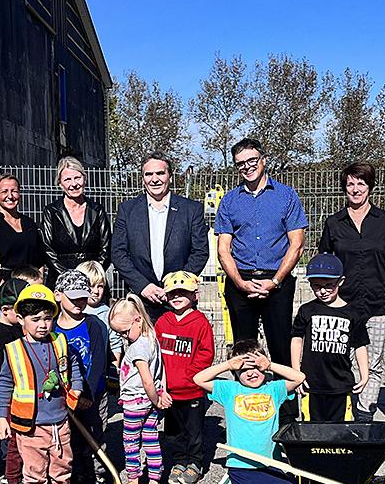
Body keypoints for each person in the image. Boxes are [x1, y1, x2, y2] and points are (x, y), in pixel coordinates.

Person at [0, 284, 95, 484]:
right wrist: (0, 417)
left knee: (63, 462)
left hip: (59, 419)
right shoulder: (15, 350)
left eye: (48, 318)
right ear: (21, 319)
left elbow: (72, 365)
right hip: (29, 425)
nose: (43, 324)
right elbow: (5, 383)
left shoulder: (60, 343)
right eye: (35, 319)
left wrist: (78, 387)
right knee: (35, 470)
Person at [214, 138, 308, 366]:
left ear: (263, 160)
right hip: (240, 283)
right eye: (240, 163)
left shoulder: (286, 196)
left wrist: (275, 281)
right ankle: (246, 400)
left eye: (252, 160)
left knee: (281, 350)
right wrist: (239, 282)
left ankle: (285, 401)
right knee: (243, 351)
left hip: (278, 282)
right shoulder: (229, 201)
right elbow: (223, 250)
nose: (247, 166)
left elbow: (297, 244)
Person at [317, 162, 385, 421]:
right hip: (343, 305)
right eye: (350, 184)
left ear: (370, 187)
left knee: (372, 363)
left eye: (361, 183)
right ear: (344, 188)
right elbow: (324, 262)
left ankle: (364, 413)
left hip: (376, 303)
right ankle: (343, 410)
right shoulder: (333, 223)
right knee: (343, 361)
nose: (355, 189)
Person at [193, 340, 306, 484]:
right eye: (243, 370)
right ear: (236, 373)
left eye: (255, 367)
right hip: (242, 466)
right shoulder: (230, 390)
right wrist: (228, 364)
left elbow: (299, 378)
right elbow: (198, 379)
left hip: (271, 464)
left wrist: (270, 364)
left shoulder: (274, 389)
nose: (251, 373)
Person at [111, 152, 209, 320]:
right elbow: (118, 253)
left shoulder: (191, 210)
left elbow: (200, 251)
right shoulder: (127, 210)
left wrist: (176, 286)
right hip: (141, 301)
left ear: (170, 176)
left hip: (179, 301)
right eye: (148, 174)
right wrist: (143, 286)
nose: (154, 179)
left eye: (160, 173)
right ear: (143, 178)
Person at [53, 269, 113, 484]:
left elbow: (99, 360)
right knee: (70, 438)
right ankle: (76, 475)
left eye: (82, 296)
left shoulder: (95, 324)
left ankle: (98, 474)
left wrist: (86, 393)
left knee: (96, 433)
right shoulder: (52, 327)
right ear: (58, 295)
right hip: (63, 396)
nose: (80, 302)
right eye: (73, 296)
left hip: (93, 394)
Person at [290, 254, 370, 423]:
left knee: (341, 431)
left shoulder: (353, 313)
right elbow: (297, 339)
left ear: (340, 282)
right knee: (311, 430)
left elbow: (360, 345)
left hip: (341, 385)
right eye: (317, 286)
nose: (323, 291)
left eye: (329, 285)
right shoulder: (307, 310)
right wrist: (296, 372)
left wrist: (365, 374)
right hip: (311, 385)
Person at [154, 270, 215, 484]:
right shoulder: (163, 321)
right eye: (172, 293)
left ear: (194, 295)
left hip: (192, 391)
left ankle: (195, 463)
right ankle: (179, 461)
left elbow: (206, 354)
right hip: (168, 392)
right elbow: (155, 353)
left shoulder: (200, 322)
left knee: (194, 432)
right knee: (172, 431)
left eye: (183, 292)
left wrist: (191, 377)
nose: (177, 297)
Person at [109, 294, 171, 484]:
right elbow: (160, 371)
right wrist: (161, 394)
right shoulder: (151, 337)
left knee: (131, 442)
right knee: (152, 439)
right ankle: (155, 482)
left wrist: (156, 398)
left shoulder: (137, 348)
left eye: (125, 332)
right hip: (150, 403)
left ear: (138, 320)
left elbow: (146, 380)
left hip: (136, 403)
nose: (124, 337)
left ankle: (133, 481)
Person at [40, 156, 111, 286]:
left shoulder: (97, 210)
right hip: (60, 281)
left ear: (85, 179)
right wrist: (68, 277)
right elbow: (47, 250)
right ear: (60, 184)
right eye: (67, 179)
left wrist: (92, 275)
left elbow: (106, 249)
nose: (74, 184)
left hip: (93, 283)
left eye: (77, 178)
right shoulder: (51, 212)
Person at [0, 277, 28, 484]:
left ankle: (20, 474)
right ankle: (11, 479)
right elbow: (2, 372)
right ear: (5, 310)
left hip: (24, 395)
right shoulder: (2, 335)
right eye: (20, 311)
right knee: (12, 443)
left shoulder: (17, 329)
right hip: (11, 397)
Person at [0, 174, 46, 273]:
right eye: (4, 191)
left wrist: (38, 283)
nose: (10, 196)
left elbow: (39, 260)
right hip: (3, 283)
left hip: (30, 283)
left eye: (14, 191)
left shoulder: (29, 223)